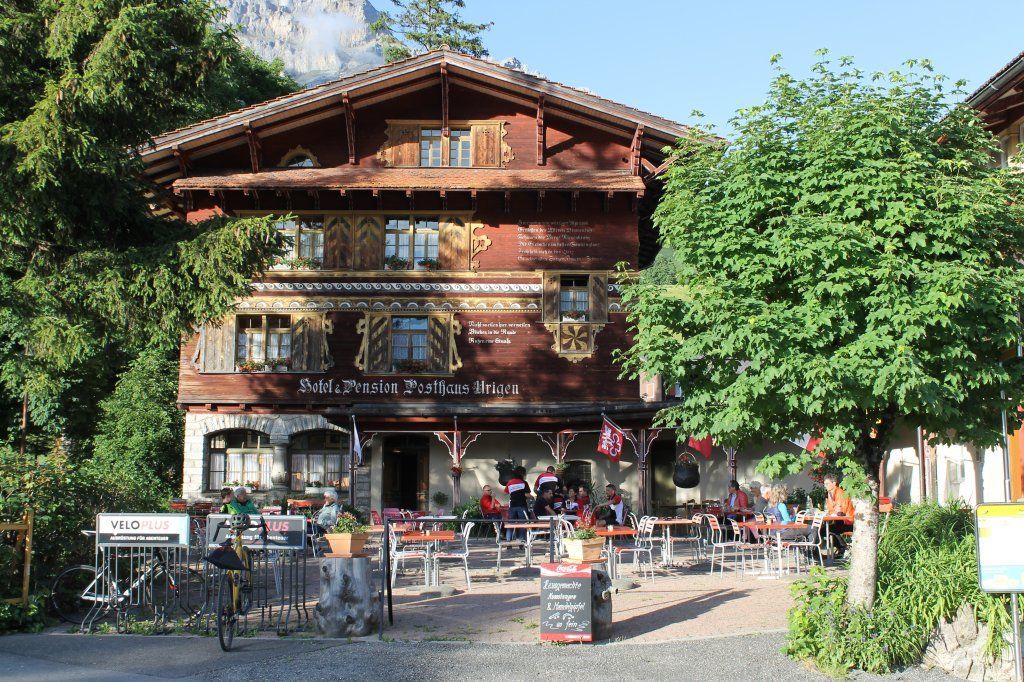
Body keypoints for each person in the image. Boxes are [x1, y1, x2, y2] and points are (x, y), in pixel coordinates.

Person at [823, 473, 855, 555]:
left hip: (849, 522)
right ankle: (842, 548)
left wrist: (834, 512)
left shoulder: (840, 493)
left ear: (834, 483)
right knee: (824, 530)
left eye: (827, 484)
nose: (825, 486)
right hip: (840, 522)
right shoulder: (830, 493)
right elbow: (831, 510)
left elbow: (841, 512)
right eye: (824, 484)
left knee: (829, 530)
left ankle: (843, 548)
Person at [504, 466, 531, 541]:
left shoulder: (510, 482)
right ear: (522, 474)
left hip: (512, 506)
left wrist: (514, 490)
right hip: (522, 506)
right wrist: (532, 498)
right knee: (522, 524)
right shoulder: (524, 483)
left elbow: (505, 492)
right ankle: (521, 541)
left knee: (511, 525)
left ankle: (508, 541)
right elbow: (527, 494)